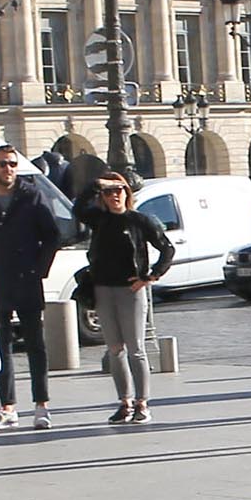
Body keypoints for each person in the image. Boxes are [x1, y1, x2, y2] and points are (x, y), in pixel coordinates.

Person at [0, 145, 63, 432]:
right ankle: (7, 406)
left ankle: (41, 405)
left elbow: (52, 235)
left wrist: (39, 269)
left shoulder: (32, 196)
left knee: (36, 344)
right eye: (2, 164)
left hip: (26, 279)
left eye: (12, 164)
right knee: (0, 346)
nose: (7, 169)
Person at [79, 172, 174, 425]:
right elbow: (78, 207)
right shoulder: (99, 220)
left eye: (118, 190)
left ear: (126, 193)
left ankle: (142, 403)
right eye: (108, 192)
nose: (114, 196)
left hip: (131, 290)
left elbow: (167, 248)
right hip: (103, 288)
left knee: (136, 349)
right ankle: (124, 402)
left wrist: (150, 277)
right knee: (114, 349)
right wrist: (95, 184)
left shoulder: (140, 221)